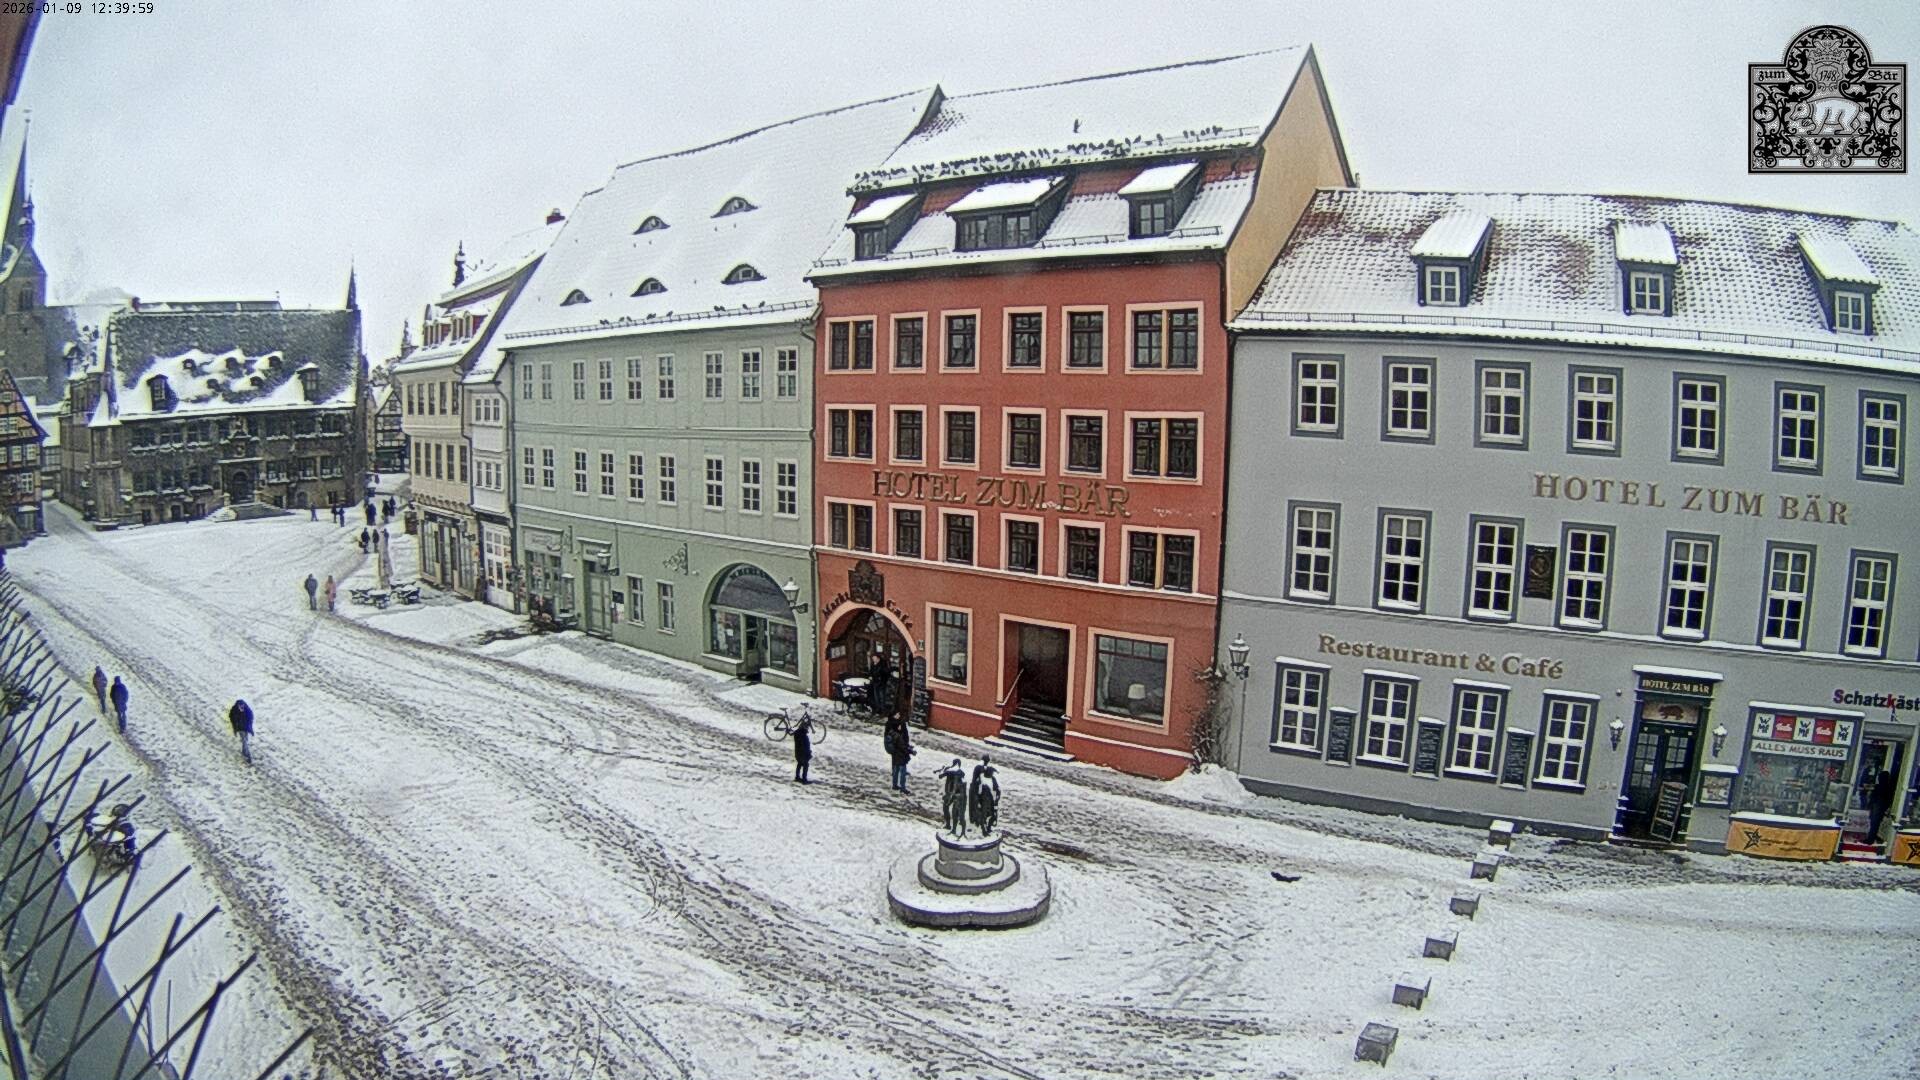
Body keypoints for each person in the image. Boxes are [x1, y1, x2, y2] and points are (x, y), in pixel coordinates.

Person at [969, 756, 1001, 837]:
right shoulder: (982, 781)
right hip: (983, 800)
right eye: (991, 772)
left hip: (989, 800)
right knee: (983, 816)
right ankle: (984, 830)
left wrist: (996, 801)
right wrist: (977, 802)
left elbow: (998, 790)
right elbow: (977, 792)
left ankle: (989, 827)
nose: (992, 774)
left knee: (993, 816)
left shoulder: (992, 779)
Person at [884, 716, 914, 793]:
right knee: (903, 772)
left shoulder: (891, 733)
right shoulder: (898, 736)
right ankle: (903, 788)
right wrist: (911, 751)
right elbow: (903, 747)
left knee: (895, 770)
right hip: (901, 756)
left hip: (895, 755)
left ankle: (894, 785)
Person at [940, 759, 968, 834]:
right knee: (953, 810)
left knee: (947, 808)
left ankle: (949, 824)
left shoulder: (950, 770)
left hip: (950, 793)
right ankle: (954, 824)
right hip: (954, 793)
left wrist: (943, 770)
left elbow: (940, 776)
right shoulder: (959, 772)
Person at [1869, 768, 1896, 846]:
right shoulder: (1889, 787)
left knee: (1874, 823)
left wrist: (1870, 804)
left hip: (1877, 806)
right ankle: (1876, 837)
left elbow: (1873, 796)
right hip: (1882, 806)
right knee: (1878, 823)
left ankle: (1871, 839)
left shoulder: (1879, 786)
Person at [229, 698, 254, 764]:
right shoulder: (234, 711)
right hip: (240, 728)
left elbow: (251, 718)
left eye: (242, 706)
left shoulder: (247, 710)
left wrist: (250, 728)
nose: (242, 708)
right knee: (244, 741)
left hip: (245, 728)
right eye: (240, 707)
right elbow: (232, 718)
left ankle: (244, 752)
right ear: (238, 706)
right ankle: (248, 756)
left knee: (245, 740)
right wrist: (236, 725)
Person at [791, 712, 814, 784]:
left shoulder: (797, 733)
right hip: (803, 754)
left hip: (797, 754)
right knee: (805, 765)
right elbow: (805, 746)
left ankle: (797, 777)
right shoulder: (803, 736)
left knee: (799, 764)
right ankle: (804, 779)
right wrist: (809, 753)